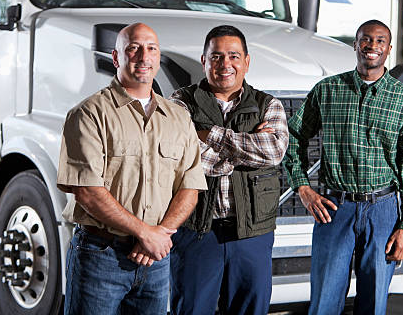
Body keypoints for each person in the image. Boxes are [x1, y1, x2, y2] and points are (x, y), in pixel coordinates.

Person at [56, 23, 207, 315]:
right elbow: (87, 191)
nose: (143, 56)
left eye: (151, 48)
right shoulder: (89, 114)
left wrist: (159, 234)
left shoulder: (178, 117)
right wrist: (145, 233)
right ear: (116, 58)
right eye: (133, 48)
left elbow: (191, 187)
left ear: (158, 56)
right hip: (101, 256)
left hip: (156, 261)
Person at [284, 20, 403, 315]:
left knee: (373, 303)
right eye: (365, 39)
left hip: (384, 210)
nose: (371, 46)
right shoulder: (328, 91)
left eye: (379, 41)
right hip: (335, 208)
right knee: (324, 300)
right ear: (355, 44)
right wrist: (303, 188)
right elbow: (292, 136)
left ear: (388, 49)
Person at [169, 25, 289, 315]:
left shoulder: (268, 105)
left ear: (247, 61)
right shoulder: (179, 103)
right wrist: (247, 149)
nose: (225, 64)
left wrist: (210, 135)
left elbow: (273, 152)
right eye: (217, 57)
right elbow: (182, 157)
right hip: (197, 232)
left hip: (251, 235)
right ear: (204, 61)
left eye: (234, 56)